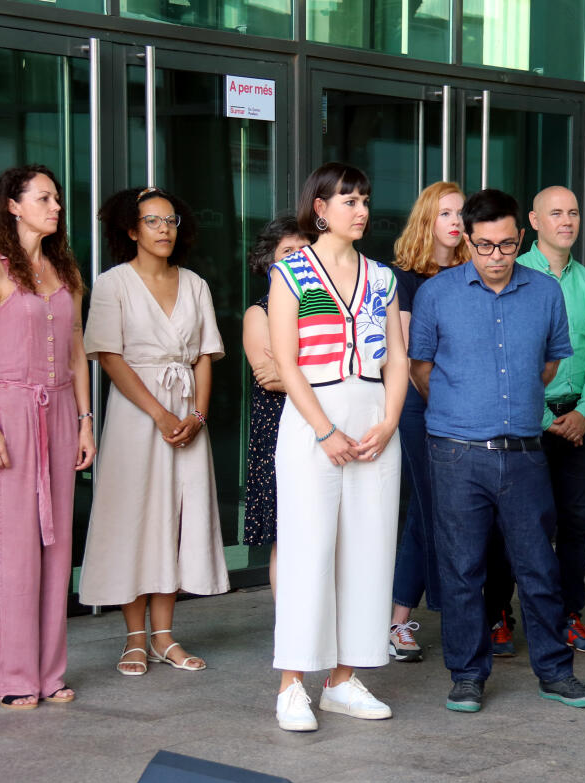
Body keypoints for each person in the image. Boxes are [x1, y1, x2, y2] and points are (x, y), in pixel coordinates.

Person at [409, 188, 585, 714]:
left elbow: (549, 365)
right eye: (485, 247)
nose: (496, 258)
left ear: (522, 239)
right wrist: (464, 407)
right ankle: (468, 676)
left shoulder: (544, 293)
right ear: (467, 240)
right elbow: (421, 369)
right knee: (464, 568)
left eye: (508, 247)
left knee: (538, 564)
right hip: (455, 452)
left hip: (523, 451)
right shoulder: (436, 294)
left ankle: (556, 673)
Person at [268, 163, 407, 733]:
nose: (361, 209)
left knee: (370, 551)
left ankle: (343, 679)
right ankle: (292, 684)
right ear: (319, 208)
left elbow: (397, 357)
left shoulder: (383, 277)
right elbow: (286, 361)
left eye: (365, 199)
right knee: (308, 549)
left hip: (374, 416)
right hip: (312, 419)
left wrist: (390, 420)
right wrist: (325, 430)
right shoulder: (291, 273)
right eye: (348, 199)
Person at [78, 186, 228, 676]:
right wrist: (159, 414)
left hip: (187, 414)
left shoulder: (196, 284)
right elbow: (109, 357)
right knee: (135, 519)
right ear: (130, 230)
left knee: (177, 520)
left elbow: (205, 355)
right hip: (135, 415)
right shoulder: (112, 283)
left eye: (170, 221)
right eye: (152, 222)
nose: (164, 230)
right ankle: (134, 638)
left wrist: (197, 415)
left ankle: (165, 637)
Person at [0, 164, 97, 709]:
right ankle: (12, 677)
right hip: (11, 410)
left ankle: (49, 673)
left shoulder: (63, 268)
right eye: (43, 197)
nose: (56, 206)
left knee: (56, 544)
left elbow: (76, 350)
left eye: (57, 198)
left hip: (62, 409)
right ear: (13, 206)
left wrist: (87, 420)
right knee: (11, 548)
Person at [484, 186, 585, 657]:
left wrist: (584, 412)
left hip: (578, 421)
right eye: (556, 212)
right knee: (513, 524)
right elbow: (510, 359)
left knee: (576, 525)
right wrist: (541, 417)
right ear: (533, 224)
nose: (567, 220)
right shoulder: (514, 277)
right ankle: (498, 613)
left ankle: (568, 615)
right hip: (523, 424)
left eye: (573, 212)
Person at [387, 181, 469, 662]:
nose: (456, 222)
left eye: (461, 213)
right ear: (426, 220)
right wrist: (450, 405)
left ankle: (404, 620)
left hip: (466, 407)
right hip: (424, 407)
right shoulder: (405, 277)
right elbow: (412, 359)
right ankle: (401, 622)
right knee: (426, 506)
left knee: (436, 511)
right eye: (446, 213)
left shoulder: (472, 273)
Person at [241, 216, 309, 597]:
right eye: (288, 252)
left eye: (304, 251)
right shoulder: (259, 313)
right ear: (269, 262)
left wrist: (295, 370)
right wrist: (328, 371)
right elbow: (269, 376)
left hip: (324, 426)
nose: (299, 258)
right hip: (278, 431)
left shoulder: (323, 308)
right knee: (285, 534)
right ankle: (289, 629)